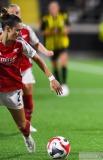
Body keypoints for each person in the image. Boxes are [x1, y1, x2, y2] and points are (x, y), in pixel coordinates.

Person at [0, 7, 62, 153]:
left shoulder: (20, 44)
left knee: (22, 125)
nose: (20, 33)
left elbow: (38, 59)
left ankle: (27, 137)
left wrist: (51, 78)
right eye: (18, 30)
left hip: (12, 91)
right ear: (8, 29)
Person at [7, 4, 54, 132]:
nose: (16, 14)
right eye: (13, 13)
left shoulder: (27, 29)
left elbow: (36, 43)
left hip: (26, 67)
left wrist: (46, 52)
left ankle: (27, 124)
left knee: (28, 95)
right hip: (10, 69)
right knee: (16, 95)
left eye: (18, 12)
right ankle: (20, 120)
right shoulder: (4, 31)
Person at [41, 1, 71, 96]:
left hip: (62, 44)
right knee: (54, 65)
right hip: (51, 46)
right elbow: (42, 32)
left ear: (58, 8)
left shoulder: (63, 16)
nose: (54, 9)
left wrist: (66, 30)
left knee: (63, 61)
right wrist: (51, 32)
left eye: (55, 8)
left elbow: (68, 26)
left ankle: (65, 83)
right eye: (52, 8)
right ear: (49, 9)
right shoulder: (46, 18)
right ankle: (58, 84)